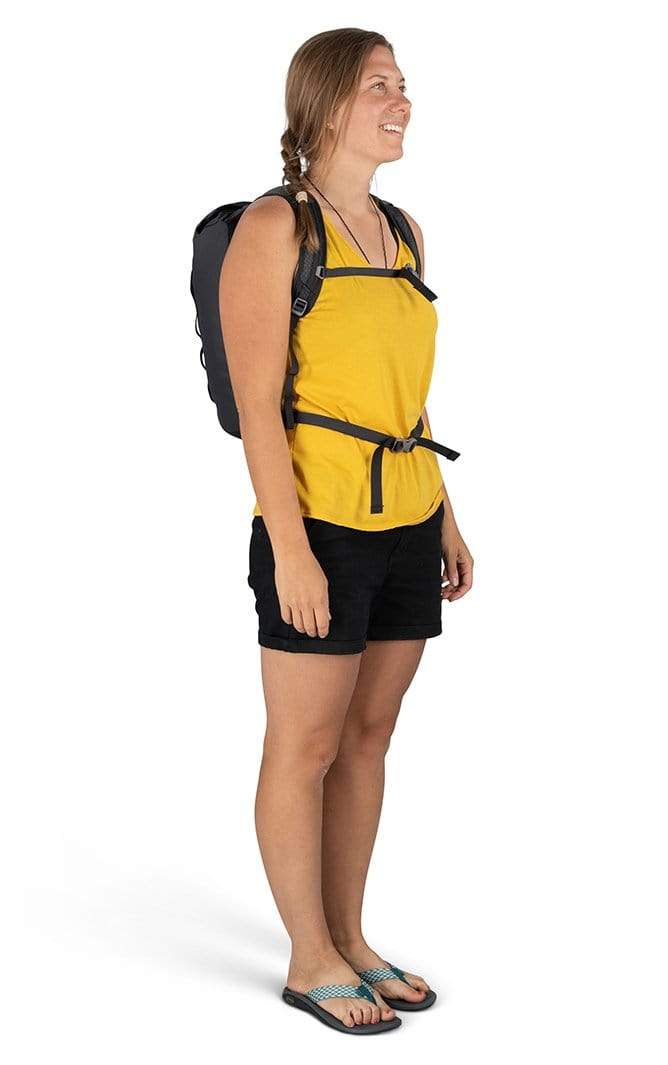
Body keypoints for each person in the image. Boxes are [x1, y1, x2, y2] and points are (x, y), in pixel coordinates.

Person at [219, 28, 473, 1034]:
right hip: (318, 522)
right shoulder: (276, 226)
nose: (401, 101)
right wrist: (289, 549)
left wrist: (445, 517)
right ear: (326, 105)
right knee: (307, 743)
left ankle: (351, 938)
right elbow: (257, 407)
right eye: (379, 85)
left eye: (403, 85)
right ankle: (308, 957)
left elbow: (402, 394)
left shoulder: (403, 232)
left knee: (369, 738)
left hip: (406, 514)